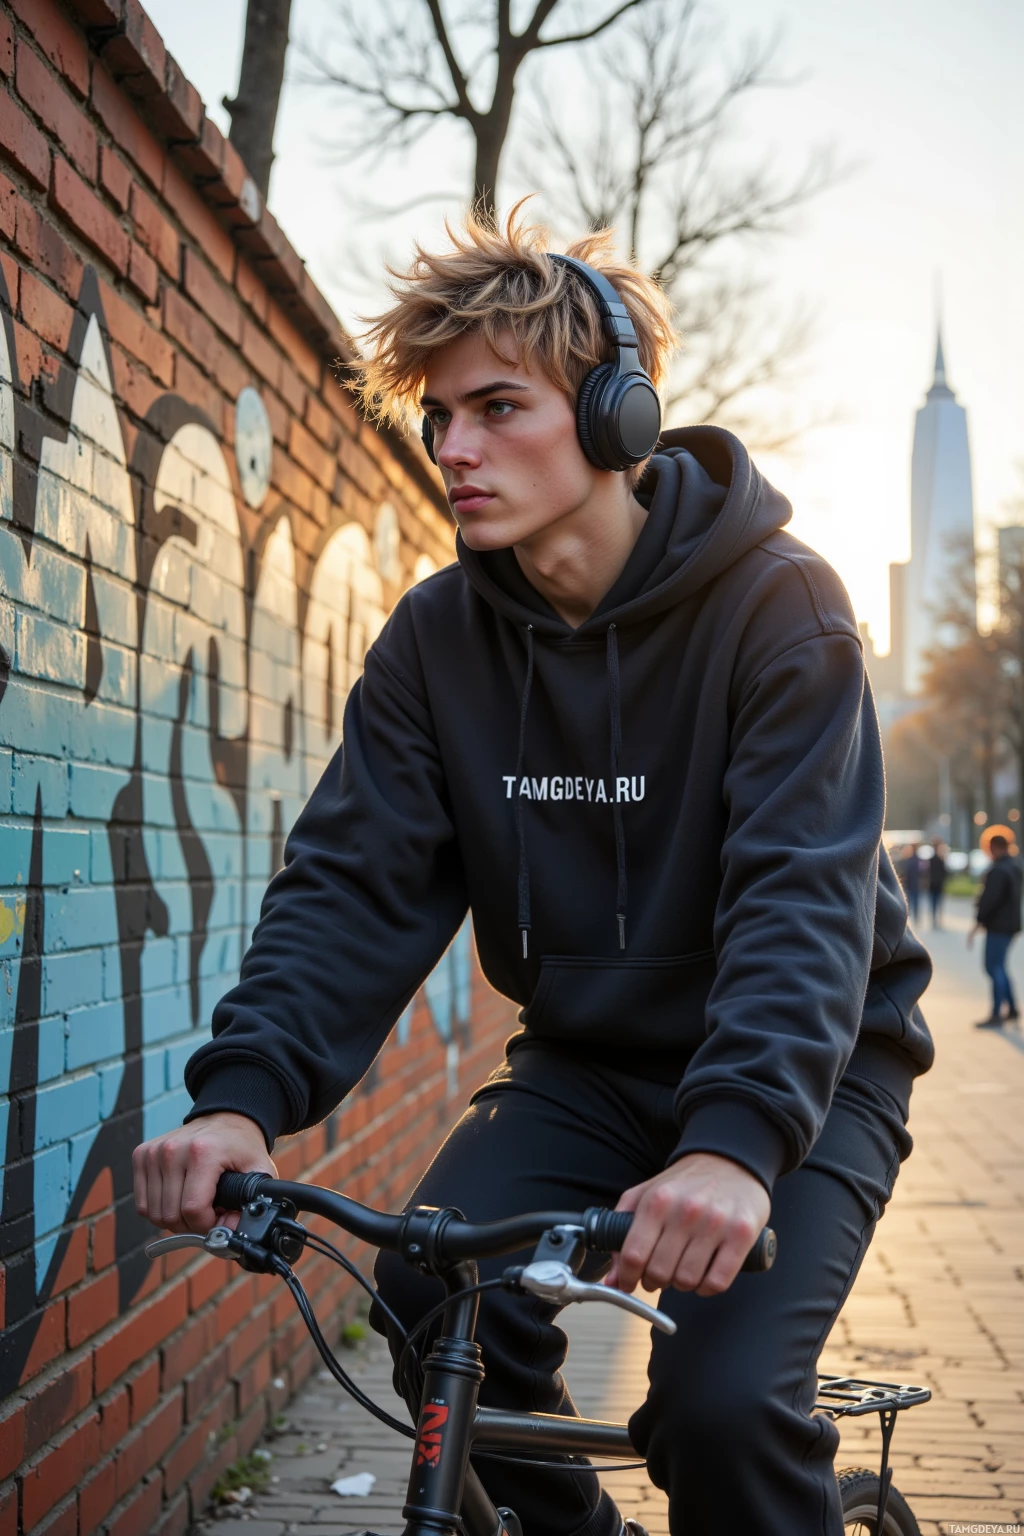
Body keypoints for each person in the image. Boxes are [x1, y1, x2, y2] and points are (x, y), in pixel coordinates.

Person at [132, 209, 933, 1536]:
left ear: (620, 417)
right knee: (426, 1302)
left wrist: (733, 1147)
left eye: (499, 407)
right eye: (440, 416)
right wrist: (240, 1103)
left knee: (721, 1410)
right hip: (586, 1066)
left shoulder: (780, 607)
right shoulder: (435, 641)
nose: (455, 448)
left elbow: (801, 893)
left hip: (811, 1072)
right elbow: (351, 887)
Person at [969, 833, 1022, 1027]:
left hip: (998, 926)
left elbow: (990, 900)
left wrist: (979, 921)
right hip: (1011, 925)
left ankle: (997, 1013)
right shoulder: (1014, 866)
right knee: (1000, 966)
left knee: (993, 967)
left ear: (992, 847)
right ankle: (1012, 1009)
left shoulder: (998, 870)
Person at [901, 842, 922, 923]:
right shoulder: (917, 860)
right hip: (913, 884)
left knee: (909, 902)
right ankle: (913, 917)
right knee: (913, 902)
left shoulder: (909, 860)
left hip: (911, 884)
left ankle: (909, 917)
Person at [928, 841, 948, 929]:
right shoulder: (940, 860)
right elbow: (945, 873)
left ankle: (934, 919)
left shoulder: (931, 860)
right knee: (937, 902)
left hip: (933, 884)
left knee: (934, 903)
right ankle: (936, 919)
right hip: (937, 884)